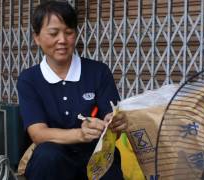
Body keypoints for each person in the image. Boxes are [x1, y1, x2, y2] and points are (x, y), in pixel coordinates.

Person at [17, 1, 127, 180]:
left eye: (69, 32)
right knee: (48, 156)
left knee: (109, 161)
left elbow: (112, 119)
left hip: (94, 154)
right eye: (53, 33)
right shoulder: (29, 79)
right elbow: (38, 134)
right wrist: (80, 134)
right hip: (52, 159)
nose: (62, 40)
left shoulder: (98, 71)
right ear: (36, 37)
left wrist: (112, 123)